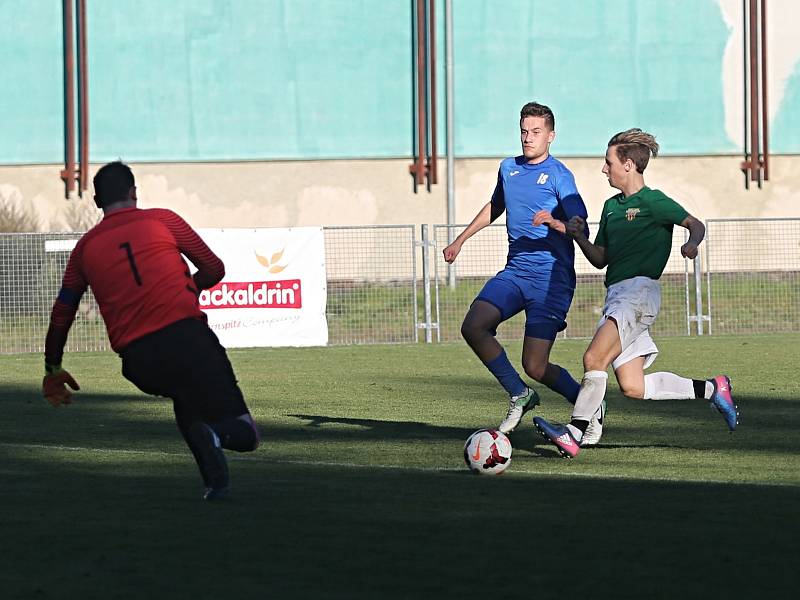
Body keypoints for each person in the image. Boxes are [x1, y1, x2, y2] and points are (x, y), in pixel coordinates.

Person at [42, 161, 260, 499]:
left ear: (98, 202)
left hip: (139, 360)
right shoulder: (163, 220)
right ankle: (217, 438)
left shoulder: (84, 249)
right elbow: (214, 268)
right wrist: (189, 288)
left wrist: (52, 367)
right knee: (245, 434)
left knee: (184, 396)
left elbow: (62, 312)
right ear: (134, 193)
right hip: (189, 339)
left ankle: (214, 484)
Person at [532, 128, 739, 458]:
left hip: (639, 294)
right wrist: (579, 237)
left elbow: (695, 224)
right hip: (618, 295)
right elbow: (601, 259)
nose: (604, 169)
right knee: (633, 386)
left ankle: (575, 432)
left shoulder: (653, 201)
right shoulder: (611, 207)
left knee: (593, 358)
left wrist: (690, 243)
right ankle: (714, 388)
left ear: (628, 164)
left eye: (608, 162)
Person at [443, 101, 599, 437]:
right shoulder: (508, 168)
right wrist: (461, 239)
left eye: (536, 132)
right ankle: (519, 393)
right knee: (473, 326)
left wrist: (557, 223)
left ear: (551, 136)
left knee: (536, 365)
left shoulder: (559, 175)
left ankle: (588, 407)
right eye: (524, 132)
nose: (528, 138)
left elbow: (580, 224)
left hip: (551, 280)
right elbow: (496, 205)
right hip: (515, 272)